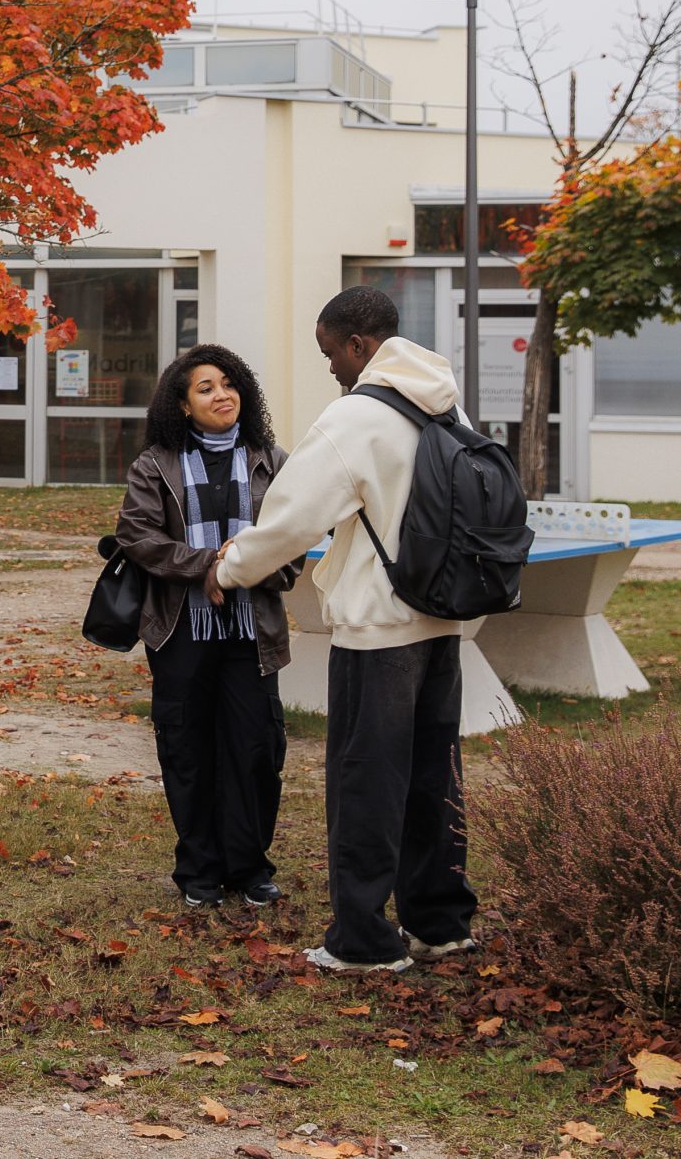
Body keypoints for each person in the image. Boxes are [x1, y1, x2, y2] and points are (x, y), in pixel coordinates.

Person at [211, 285, 480, 972]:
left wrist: (230, 568)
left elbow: (291, 518)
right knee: (432, 779)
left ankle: (362, 941)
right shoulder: (444, 402)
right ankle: (440, 924)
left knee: (367, 783)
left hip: (377, 629)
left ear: (359, 344)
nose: (330, 365)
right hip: (441, 618)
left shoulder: (356, 417)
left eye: (331, 351)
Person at [116, 344, 294, 909]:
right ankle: (198, 869)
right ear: (183, 404)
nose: (222, 395)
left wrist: (240, 572)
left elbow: (294, 537)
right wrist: (206, 568)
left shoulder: (271, 459)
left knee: (255, 750)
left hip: (252, 632)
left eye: (228, 383)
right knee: (189, 752)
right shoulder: (155, 464)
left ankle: (250, 867)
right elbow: (137, 536)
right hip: (179, 633)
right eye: (205, 388)